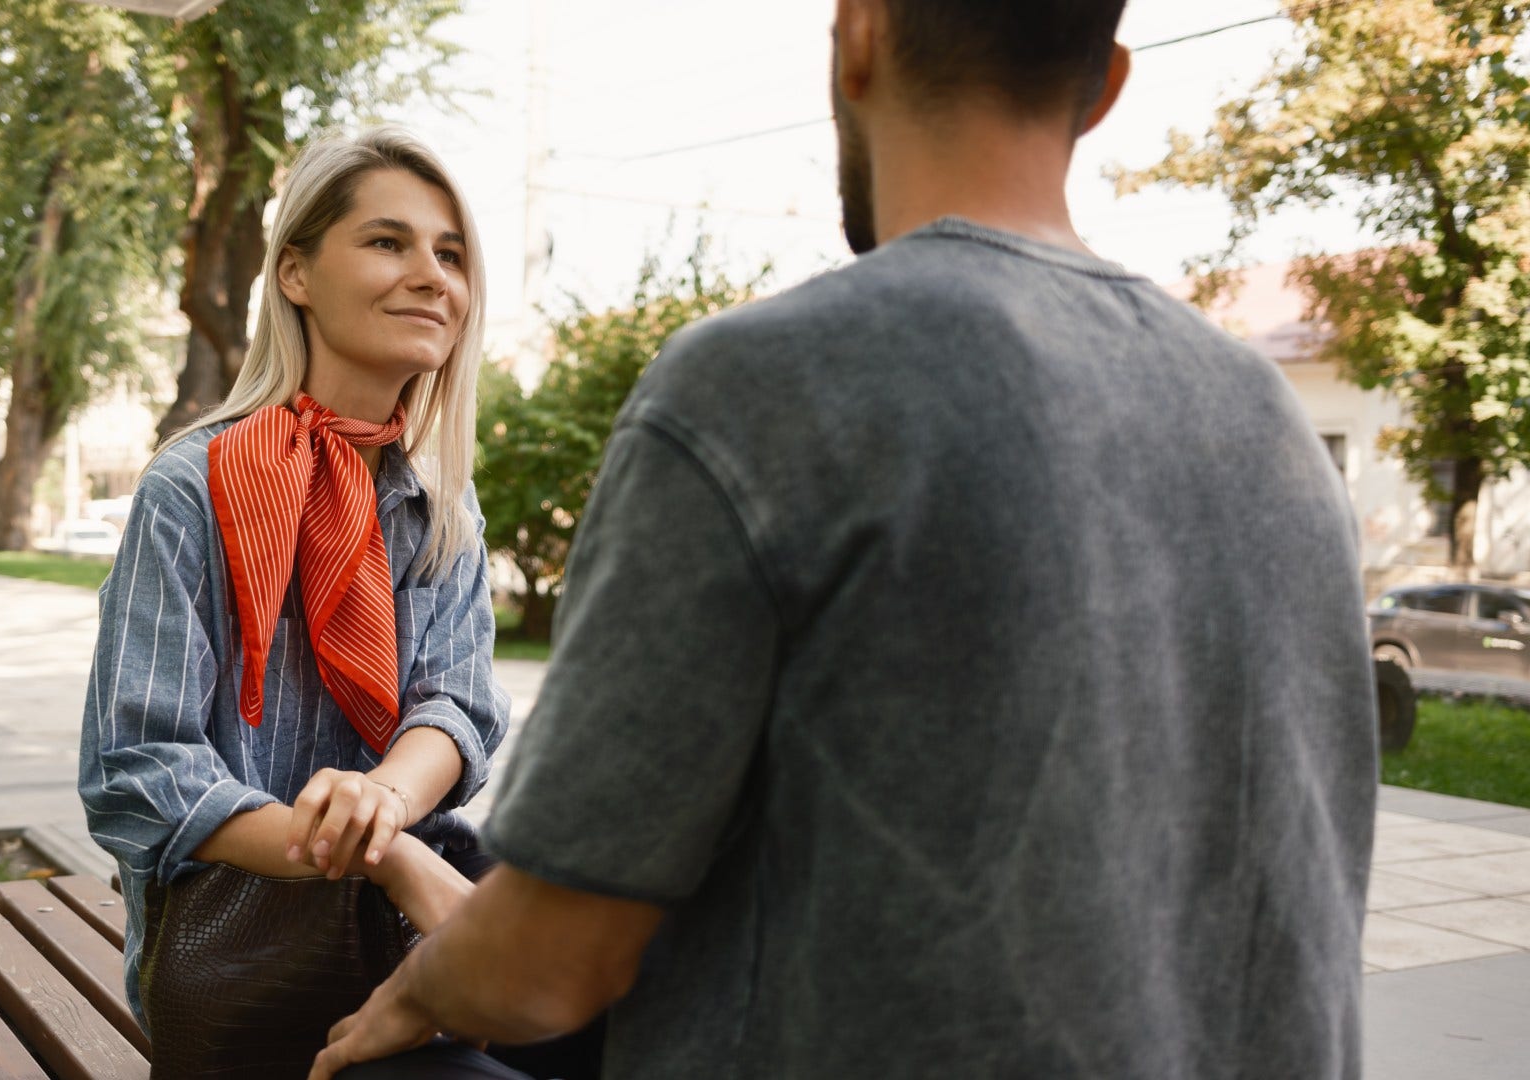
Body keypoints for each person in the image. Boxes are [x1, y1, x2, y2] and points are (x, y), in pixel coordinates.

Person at [311, 3, 1378, 1079]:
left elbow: (547, 964)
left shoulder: (766, 388)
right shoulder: (1267, 415)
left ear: (859, 35)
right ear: (1103, 85)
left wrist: (414, 993)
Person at [80, 128, 539, 1078]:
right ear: (295, 272)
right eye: (388, 242)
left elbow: (455, 710)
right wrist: (383, 854)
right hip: (252, 956)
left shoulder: (441, 503)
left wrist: (381, 802)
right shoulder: (194, 485)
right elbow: (138, 770)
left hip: (415, 915)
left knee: (670, 999)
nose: (431, 276)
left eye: (450, 254)